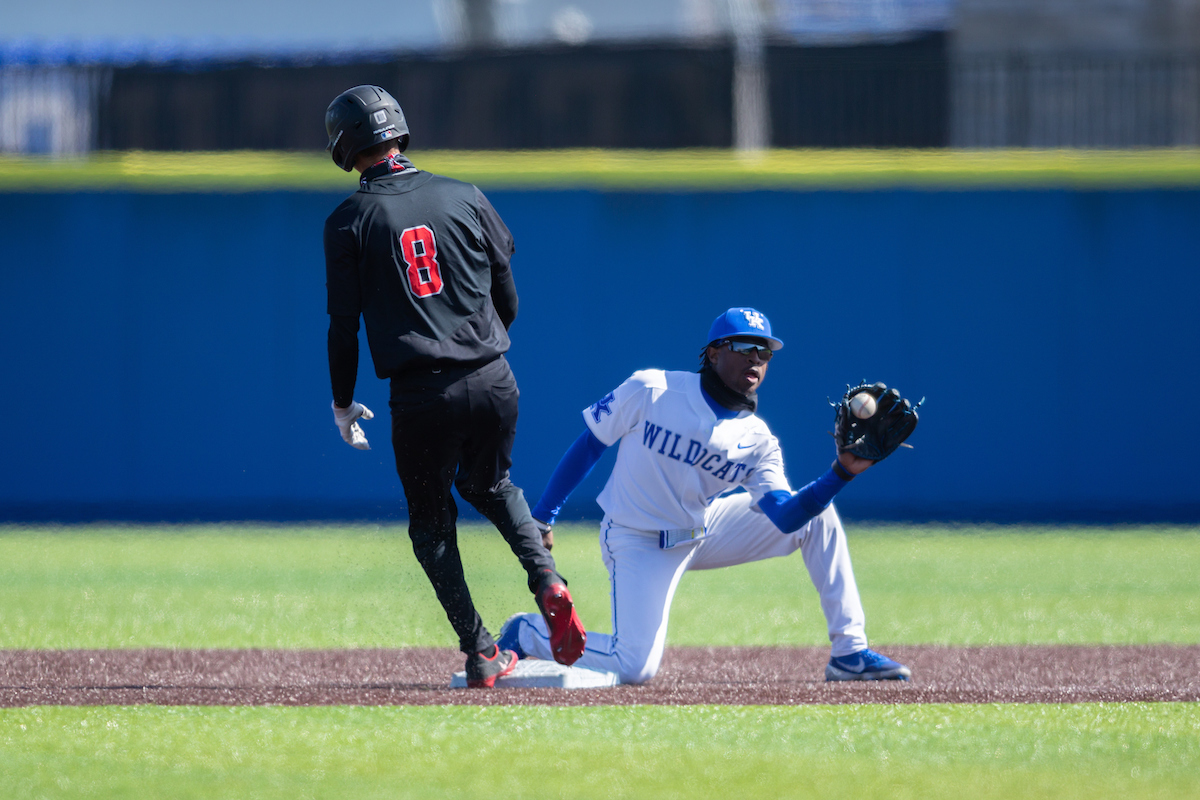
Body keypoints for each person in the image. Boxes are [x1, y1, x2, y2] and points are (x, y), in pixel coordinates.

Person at [322, 85, 585, 688]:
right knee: (493, 484)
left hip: (420, 394)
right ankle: (546, 577)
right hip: (493, 376)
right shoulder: (465, 194)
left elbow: (343, 326)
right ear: (398, 130)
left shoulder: (347, 221)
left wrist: (342, 402)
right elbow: (506, 290)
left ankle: (481, 650)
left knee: (432, 526)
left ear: (344, 145)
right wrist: (485, 350)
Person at [497, 307, 912, 685]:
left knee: (818, 518)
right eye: (745, 347)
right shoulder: (652, 389)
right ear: (714, 353)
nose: (756, 359)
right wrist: (543, 516)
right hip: (638, 538)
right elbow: (591, 444)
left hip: (701, 529)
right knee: (634, 666)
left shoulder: (758, 439)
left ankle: (849, 652)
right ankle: (527, 631)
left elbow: (785, 518)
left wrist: (841, 472)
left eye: (765, 352)